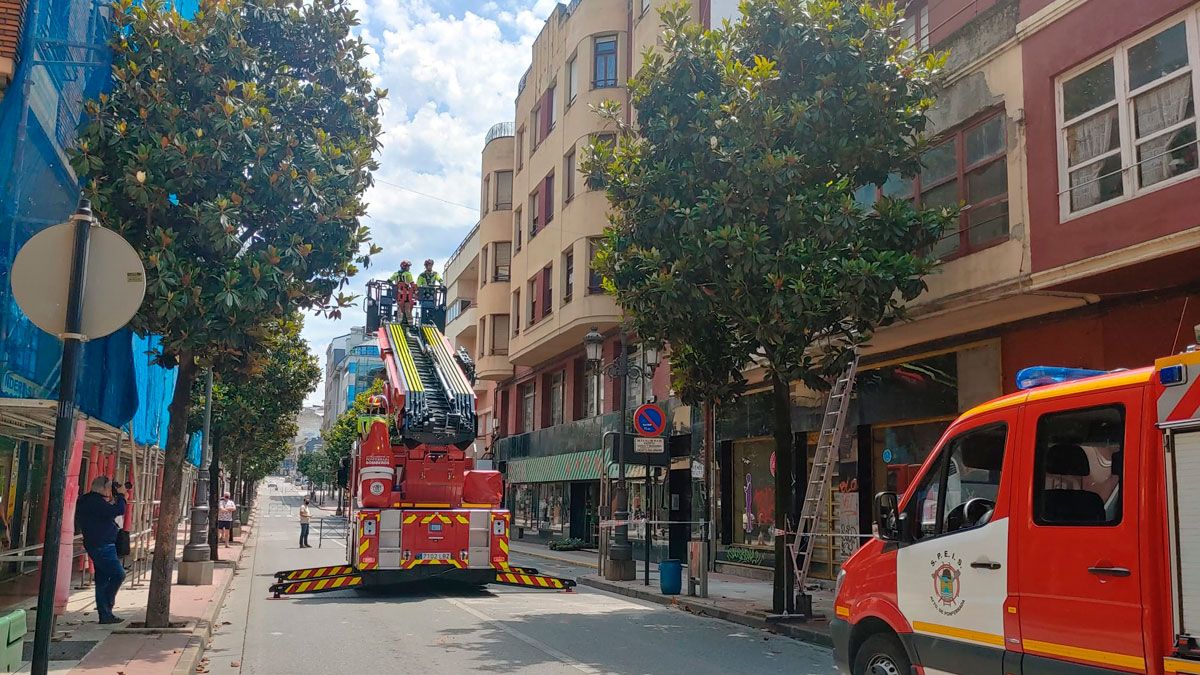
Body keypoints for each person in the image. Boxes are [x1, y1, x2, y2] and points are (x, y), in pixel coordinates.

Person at [75, 476, 127, 624]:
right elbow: (119, 510)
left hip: (97, 543)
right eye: (110, 488)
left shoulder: (88, 500)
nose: (111, 491)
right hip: (102, 545)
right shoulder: (95, 502)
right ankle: (107, 605)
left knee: (102, 579)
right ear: (104, 488)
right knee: (119, 574)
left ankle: (105, 614)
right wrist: (122, 496)